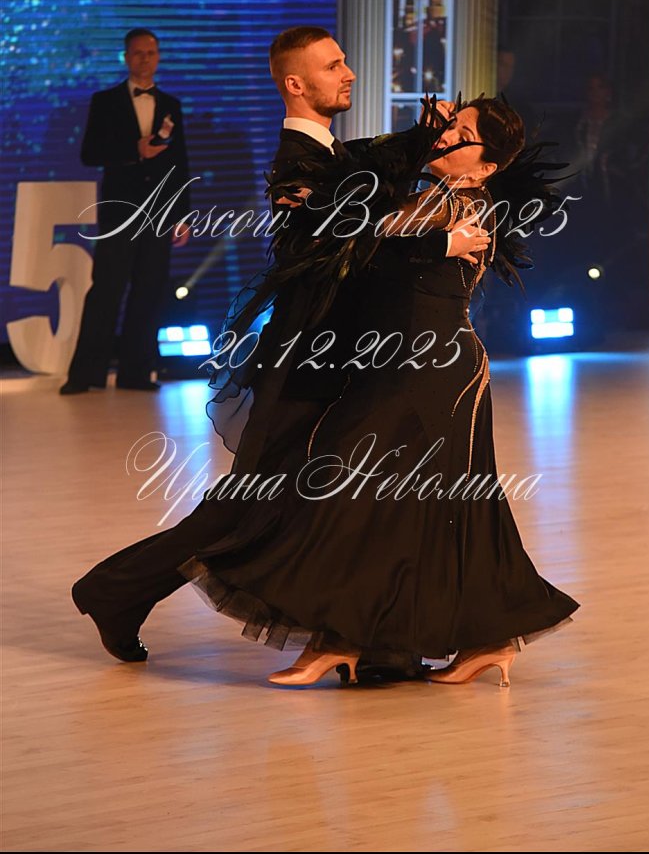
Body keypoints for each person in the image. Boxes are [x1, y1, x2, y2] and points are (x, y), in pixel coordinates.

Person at [70, 26, 487, 670]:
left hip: (335, 363)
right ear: (296, 83)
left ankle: (372, 643)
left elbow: (370, 163)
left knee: (293, 506)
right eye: (333, 65)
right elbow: (332, 239)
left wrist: (425, 136)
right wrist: (440, 242)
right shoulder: (298, 164)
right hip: (305, 366)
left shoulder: (326, 152)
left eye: (345, 61)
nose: (349, 73)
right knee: (245, 510)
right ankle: (114, 590)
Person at [176, 95, 580, 687]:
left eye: (461, 133)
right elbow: (364, 227)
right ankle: (456, 638)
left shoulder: (460, 205)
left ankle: (341, 639)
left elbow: (371, 234)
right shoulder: (435, 197)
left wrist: (355, 212)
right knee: (416, 510)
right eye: (451, 126)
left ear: (486, 167)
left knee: (347, 488)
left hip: (434, 373)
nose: (447, 137)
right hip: (408, 367)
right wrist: (413, 143)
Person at [60, 28, 191, 395]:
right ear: (125, 56)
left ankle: (136, 372)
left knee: (149, 290)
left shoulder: (171, 104)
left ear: (158, 57)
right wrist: (135, 150)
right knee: (106, 289)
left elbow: (180, 163)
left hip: (158, 213)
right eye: (137, 53)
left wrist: (182, 214)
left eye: (150, 53)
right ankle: (85, 374)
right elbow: (90, 153)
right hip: (119, 213)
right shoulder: (105, 101)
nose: (144, 59)